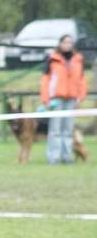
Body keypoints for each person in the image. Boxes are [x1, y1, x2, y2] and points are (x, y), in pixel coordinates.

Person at [41, 34, 87, 164]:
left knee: (68, 130)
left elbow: (82, 79)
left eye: (70, 42)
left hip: (72, 98)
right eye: (65, 42)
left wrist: (80, 96)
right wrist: (46, 99)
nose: (68, 45)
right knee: (55, 130)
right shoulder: (52, 59)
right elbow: (45, 80)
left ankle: (67, 157)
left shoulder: (78, 59)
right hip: (56, 98)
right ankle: (54, 157)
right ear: (60, 44)